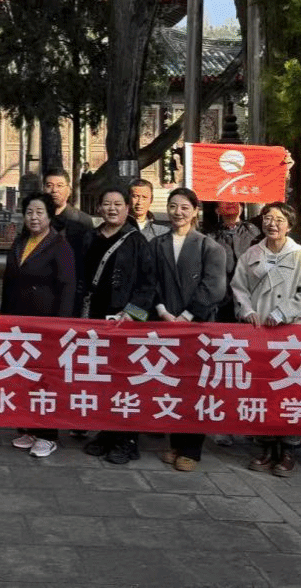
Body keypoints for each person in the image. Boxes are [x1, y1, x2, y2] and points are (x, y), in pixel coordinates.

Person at [232, 200, 301, 477]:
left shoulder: (299, 256)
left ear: (289, 226)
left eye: (280, 220)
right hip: (259, 332)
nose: (273, 224)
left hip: (290, 333)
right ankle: (266, 445)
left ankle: (289, 449)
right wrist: (247, 310)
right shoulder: (251, 253)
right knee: (262, 389)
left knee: (290, 389)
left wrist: (284, 312)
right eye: (268, 218)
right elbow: (238, 287)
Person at [75, 189, 155, 465]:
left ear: (127, 208)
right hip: (94, 318)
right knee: (102, 379)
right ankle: (107, 432)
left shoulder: (137, 241)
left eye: (118, 204)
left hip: (124, 321)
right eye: (106, 203)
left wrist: (132, 314)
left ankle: (127, 439)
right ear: (99, 208)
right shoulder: (90, 238)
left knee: (125, 379)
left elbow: (148, 284)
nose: (112, 208)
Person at [152, 187, 227, 472]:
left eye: (184, 207)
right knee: (170, 384)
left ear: (195, 211)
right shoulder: (156, 244)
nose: (178, 212)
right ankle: (174, 442)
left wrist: (186, 315)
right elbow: (150, 281)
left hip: (198, 328)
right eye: (173, 206)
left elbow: (214, 287)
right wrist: (162, 310)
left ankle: (191, 449)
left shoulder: (210, 247)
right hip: (165, 324)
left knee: (195, 386)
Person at [1, 193, 76, 458]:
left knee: (46, 379)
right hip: (19, 323)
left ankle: (48, 434)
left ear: (50, 216)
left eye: (39, 212)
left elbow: (68, 287)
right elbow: (9, 281)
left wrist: (60, 325)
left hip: (46, 324)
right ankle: (28, 428)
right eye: (29, 212)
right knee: (23, 376)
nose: (34, 217)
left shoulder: (59, 245)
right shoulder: (20, 242)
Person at [209, 201, 261, 324]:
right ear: (217, 210)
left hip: (251, 297)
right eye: (225, 202)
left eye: (235, 202)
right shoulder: (210, 236)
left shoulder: (255, 232)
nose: (230, 204)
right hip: (222, 299)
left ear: (241, 208)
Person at [42, 167, 94, 258]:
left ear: (69, 190)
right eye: (49, 186)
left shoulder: (82, 220)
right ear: (43, 189)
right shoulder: (36, 219)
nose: (54, 190)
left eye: (59, 186)